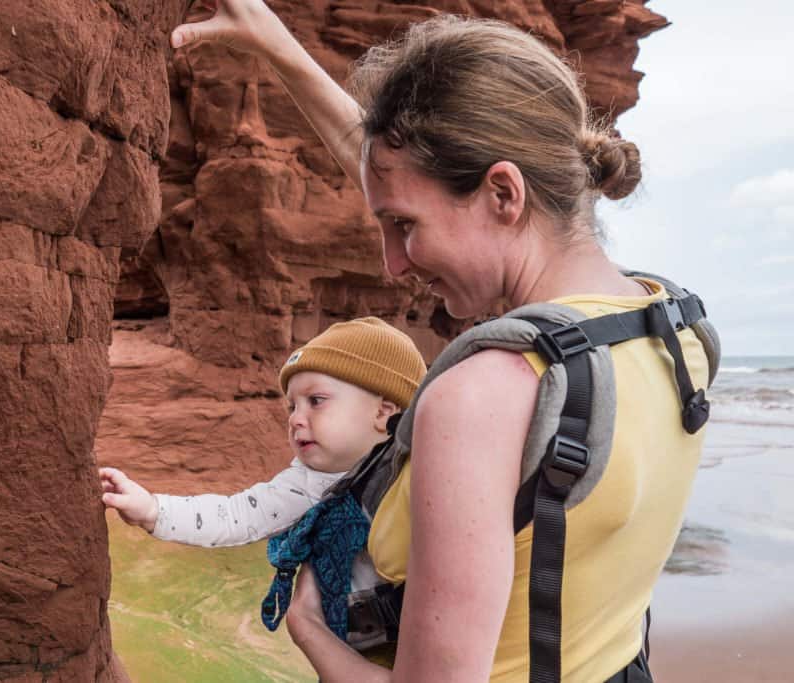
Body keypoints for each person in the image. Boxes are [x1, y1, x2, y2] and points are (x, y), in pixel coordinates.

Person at [169, 3, 718, 683]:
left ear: (503, 194)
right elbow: (407, 176)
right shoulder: (672, 329)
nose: (393, 263)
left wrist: (307, 626)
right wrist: (279, 48)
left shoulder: (480, 398)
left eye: (402, 227)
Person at [100, 317, 427, 646]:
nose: (296, 419)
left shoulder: (428, 476)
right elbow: (238, 515)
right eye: (292, 407)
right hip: (359, 651)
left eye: (316, 401)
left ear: (384, 411)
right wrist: (154, 510)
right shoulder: (311, 483)